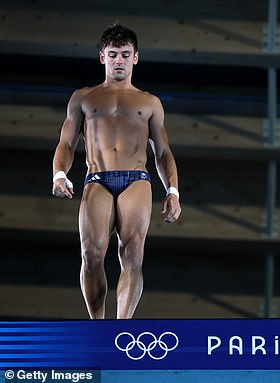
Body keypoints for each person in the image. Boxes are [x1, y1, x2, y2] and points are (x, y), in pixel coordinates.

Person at [51, 24, 182, 319]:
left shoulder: (149, 103)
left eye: (125, 54)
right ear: (102, 58)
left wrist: (172, 191)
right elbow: (66, 143)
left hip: (136, 179)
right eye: (113, 55)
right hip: (97, 178)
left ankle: (122, 330)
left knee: (133, 255)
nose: (119, 60)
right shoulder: (83, 98)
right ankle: (99, 327)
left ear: (136, 58)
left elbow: (162, 152)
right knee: (90, 255)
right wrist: (59, 173)